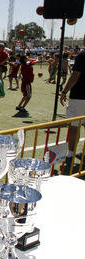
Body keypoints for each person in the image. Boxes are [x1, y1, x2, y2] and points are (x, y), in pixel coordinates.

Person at [60, 36, 85, 173]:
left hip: (80, 96)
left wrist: (64, 91)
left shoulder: (82, 56)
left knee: (75, 127)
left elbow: (75, 76)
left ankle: (70, 154)